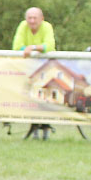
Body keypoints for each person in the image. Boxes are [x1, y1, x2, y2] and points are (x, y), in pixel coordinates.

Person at [12, 7, 56, 139]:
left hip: (46, 69)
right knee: (31, 97)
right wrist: (29, 48)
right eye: (29, 18)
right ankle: (35, 127)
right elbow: (16, 46)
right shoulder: (22, 26)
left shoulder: (47, 27)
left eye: (34, 18)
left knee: (46, 98)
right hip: (29, 69)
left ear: (41, 19)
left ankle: (46, 127)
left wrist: (32, 48)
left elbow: (49, 45)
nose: (32, 21)